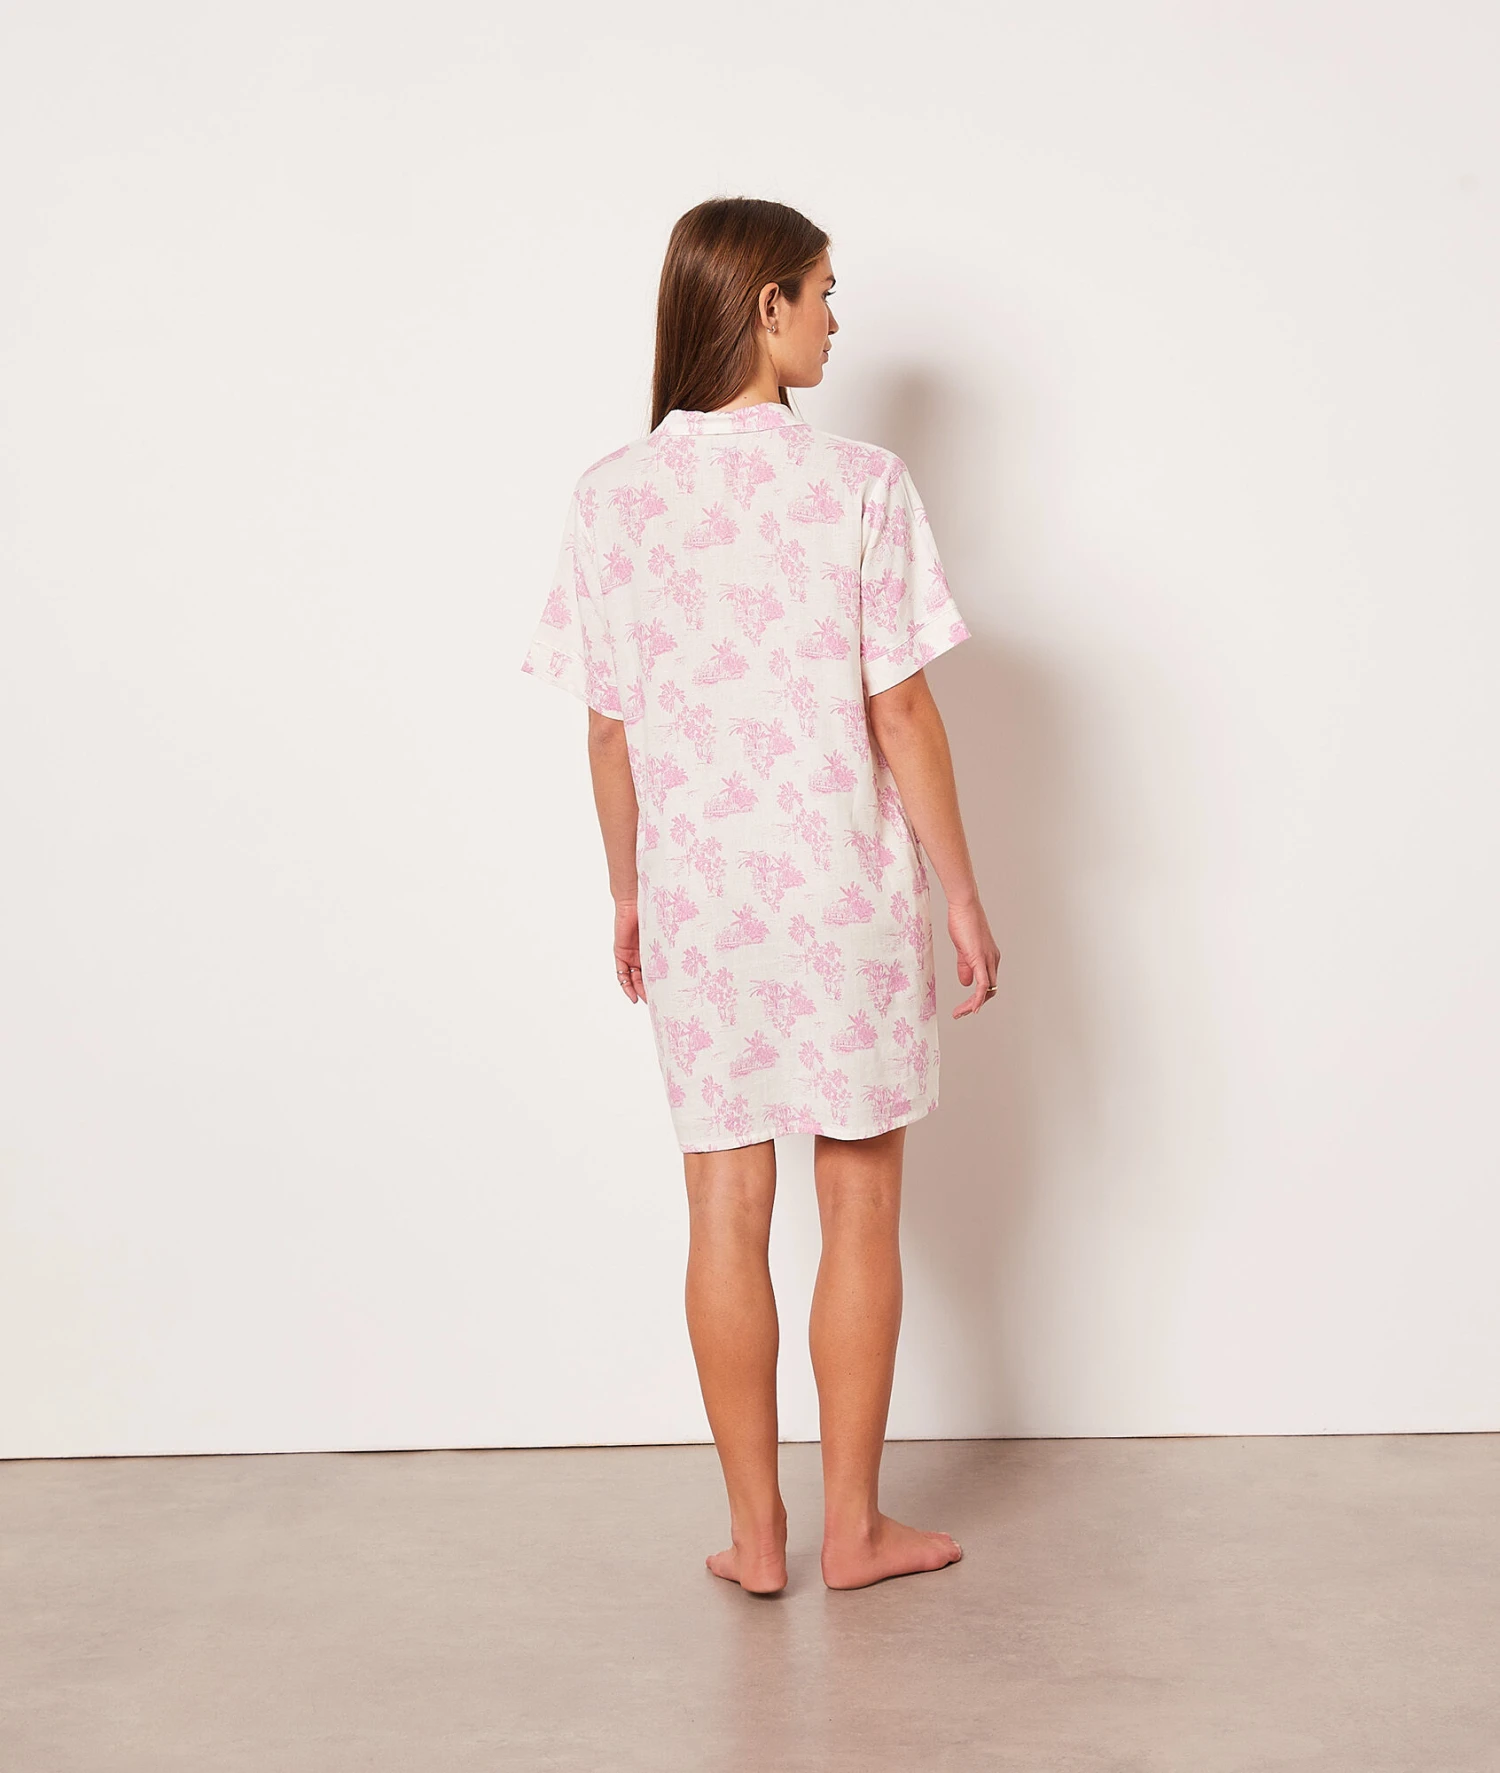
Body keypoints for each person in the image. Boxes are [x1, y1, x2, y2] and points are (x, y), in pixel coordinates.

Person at [522, 197, 1000, 1594]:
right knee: (861, 1205)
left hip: (703, 903)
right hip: (844, 894)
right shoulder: (860, 484)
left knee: (724, 1206)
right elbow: (900, 712)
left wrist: (628, 894)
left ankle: (757, 1539)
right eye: (824, 292)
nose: (838, 320)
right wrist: (962, 892)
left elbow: (607, 730)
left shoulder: (612, 494)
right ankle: (855, 1530)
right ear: (765, 305)